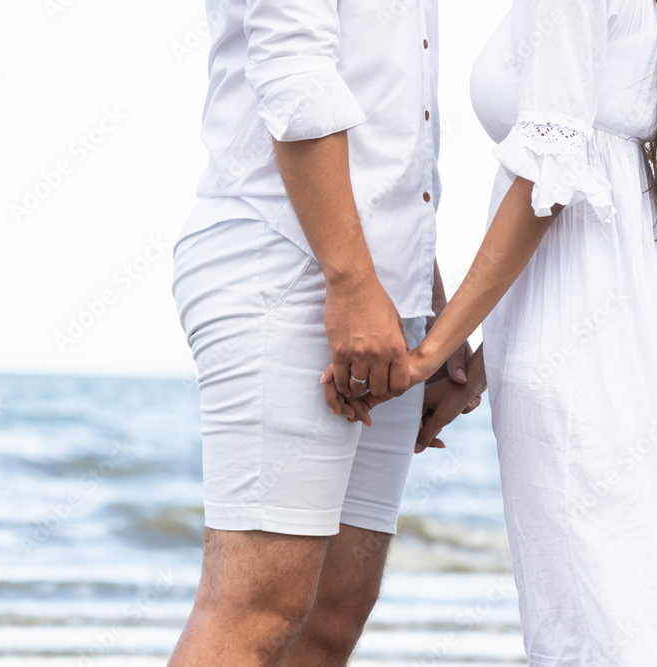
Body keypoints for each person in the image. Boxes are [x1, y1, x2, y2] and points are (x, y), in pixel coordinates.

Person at [326, 0, 657, 663]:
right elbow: (573, 197)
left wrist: (427, 355)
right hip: (617, 341)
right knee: (621, 605)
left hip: (576, 355)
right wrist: (471, 367)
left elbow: (548, 177)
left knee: (592, 620)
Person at [169, 1, 474, 664]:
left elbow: (390, 130)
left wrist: (430, 307)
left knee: (334, 613)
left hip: (377, 282)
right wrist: (353, 286)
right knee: (255, 611)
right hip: (283, 258)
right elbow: (293, 69)